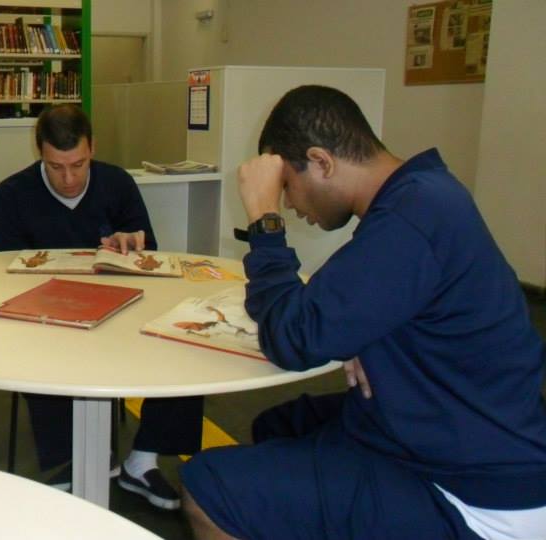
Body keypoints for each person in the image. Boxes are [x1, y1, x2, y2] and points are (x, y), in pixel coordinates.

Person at [181, 85, 546, 539]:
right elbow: (330, 307)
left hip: (474, 493)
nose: (290, 205)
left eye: (288, 188)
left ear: (321, 162)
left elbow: (291, 338)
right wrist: (368, 334)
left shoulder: (411, 218)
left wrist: (263, 219)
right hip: (442, 425)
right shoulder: (422, 194)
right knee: (279, 425)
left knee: (207, 489)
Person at [0, 104, 203, 510]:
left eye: (78, 165)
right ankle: (74, 460)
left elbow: (150, 249)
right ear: (39, 153)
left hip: (120, 307)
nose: (69, 179)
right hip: (48, 316)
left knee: (185, 342)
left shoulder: (116, 182)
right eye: (56, 167)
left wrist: (131, 245)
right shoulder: (11, 194)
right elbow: (1, 270)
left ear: (93, 149)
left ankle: (143, 460)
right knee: (38, 346)